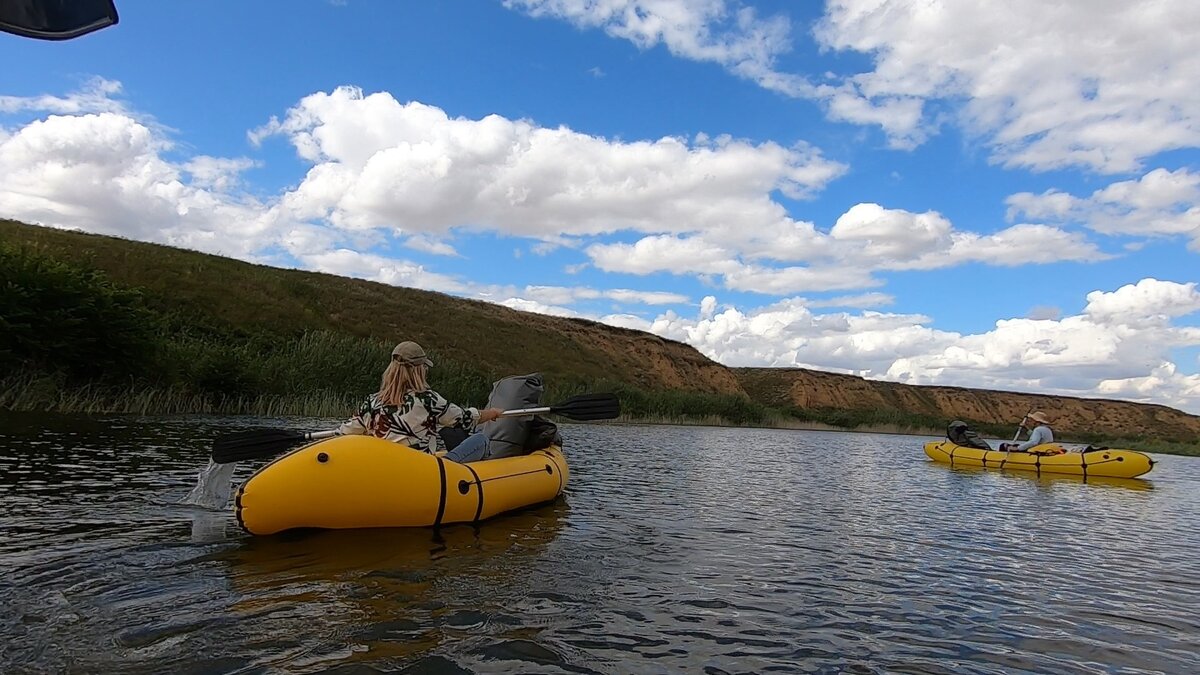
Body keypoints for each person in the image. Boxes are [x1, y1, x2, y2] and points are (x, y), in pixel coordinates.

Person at [337, 341, 503, 463]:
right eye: (424, 367)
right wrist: (492, 413)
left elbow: (345, 432)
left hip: (385, 468)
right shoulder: (427, 399)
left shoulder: (372, 402)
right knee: (480, 439)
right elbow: (465, 418)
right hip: (423, 472)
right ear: (419, 370)